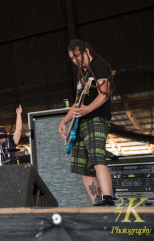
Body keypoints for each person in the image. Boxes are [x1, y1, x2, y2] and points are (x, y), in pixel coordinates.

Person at [58, 39, 114, 206]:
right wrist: (65, 121)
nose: (75, 60)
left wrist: (88, 109)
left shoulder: (98, 65)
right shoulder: (82, 75)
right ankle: (97, 205)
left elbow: (105, 93)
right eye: (72, 58)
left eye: (77, 56)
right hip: (80, 124)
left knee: (97, 159)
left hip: (96, 119)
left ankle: (108, 201)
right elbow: (77, 104)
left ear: (87, 51)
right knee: (83, 168)